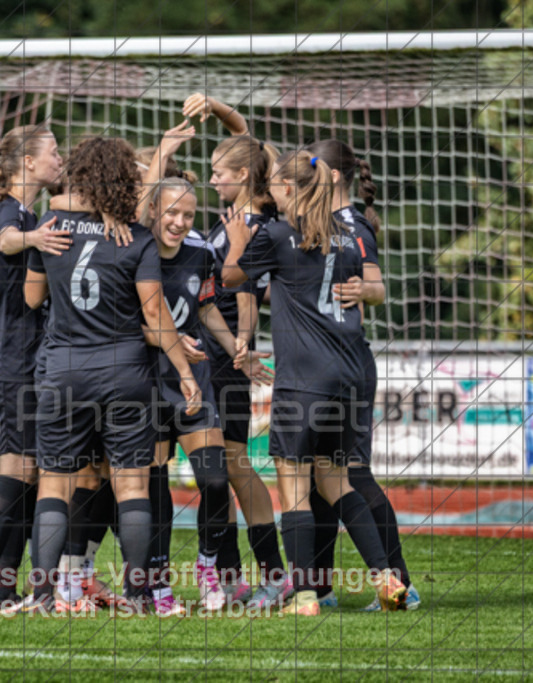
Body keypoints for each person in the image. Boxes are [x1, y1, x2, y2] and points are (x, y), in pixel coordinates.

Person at [14, 136, 201, 614]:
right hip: (125, 371)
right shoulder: (135, 237)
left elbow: (33, 300)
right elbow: (155, 311)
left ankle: (41, 595)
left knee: (54, 483)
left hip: (64, 371)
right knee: (133, 485)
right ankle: (140, 597)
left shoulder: (49, 227)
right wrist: (184, 370)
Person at [222, 149, 408, 616]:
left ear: (288, 189)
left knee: (294, 485)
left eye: (275, 187)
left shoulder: (278, 234)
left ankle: (304, 596)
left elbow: (230, 278)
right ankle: (387, 577)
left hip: (304, 377)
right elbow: (364, 291)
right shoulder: (348, 235)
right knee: (338, 480)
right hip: (348, 375)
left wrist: (237, 241)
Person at [142, 176, 273, 616]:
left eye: (188, 214)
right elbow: (126, 319)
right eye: (171, 213)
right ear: (153, 211)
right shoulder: (135, 251)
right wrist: (170, 339)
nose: (179, 223)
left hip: (195, 379)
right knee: (154, 490)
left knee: (215, 481)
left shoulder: (201, 252)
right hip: (148, 380)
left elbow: (204, 305)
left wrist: (236, 343)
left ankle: (207, 566)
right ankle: (156, 583)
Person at [181, 93, 288, 607]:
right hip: (211, 353)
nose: (213, 179)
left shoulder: (255, 226)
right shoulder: (232, 221)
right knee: (222, 468)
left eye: (219, 172)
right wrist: (219, 109)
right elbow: (247, 137)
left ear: (243, 176)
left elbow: (243, 286)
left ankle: (269, 573)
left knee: (233, 465)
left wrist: (244, 342)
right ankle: (232, 576)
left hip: (223, 359)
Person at [304, 139, 420, 611]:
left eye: (311, 167)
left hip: (346, 364)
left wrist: (364, 288)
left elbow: (377, 287)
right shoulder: (318, 223)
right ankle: (321, 587)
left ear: (331, 176)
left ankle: (400, 583)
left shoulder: (351, 225)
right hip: (330, 363)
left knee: (352, 474)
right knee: (320, 476)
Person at [0, 125, 68, 608]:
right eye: (52, 152)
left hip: (25, 356)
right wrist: (35, 238)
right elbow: (7, 240)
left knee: (28, 471)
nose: (59, 158)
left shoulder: (28, 211)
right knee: (16, 468)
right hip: (7, 357)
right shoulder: (10, 212)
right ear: (27, 162)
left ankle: (4, 585)